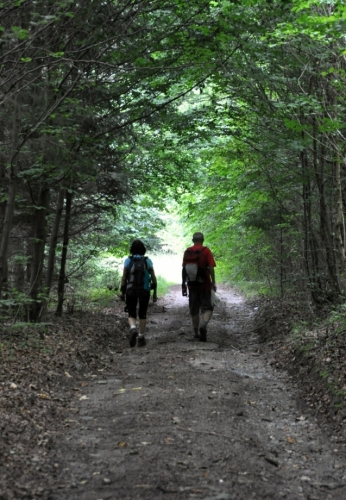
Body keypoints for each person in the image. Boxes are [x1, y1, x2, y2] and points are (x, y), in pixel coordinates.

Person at [120, 239, 157, 347]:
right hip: (144, 290)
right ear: (143, 250)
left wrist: (123, 292)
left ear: (132, 249)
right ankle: (141, 337)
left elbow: (124, 277)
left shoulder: (128, 260)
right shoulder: (147, 261)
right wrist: (154, 292)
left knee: (131, 313)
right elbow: (153, 278)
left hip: (131, 290)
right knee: (142, 313)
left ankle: (132, 328)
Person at [182, 232, 216, 342]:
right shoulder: (206, 251)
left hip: (191, 285)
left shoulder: (187, 251)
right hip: (204, 283)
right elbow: (210, 267)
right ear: (203, 240)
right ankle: (204, 325)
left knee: (194, 309)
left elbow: (184, 269)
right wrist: (213, 282)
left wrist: (183, 284)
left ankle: (196, 333)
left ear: (193, 240)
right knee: (208, 307)